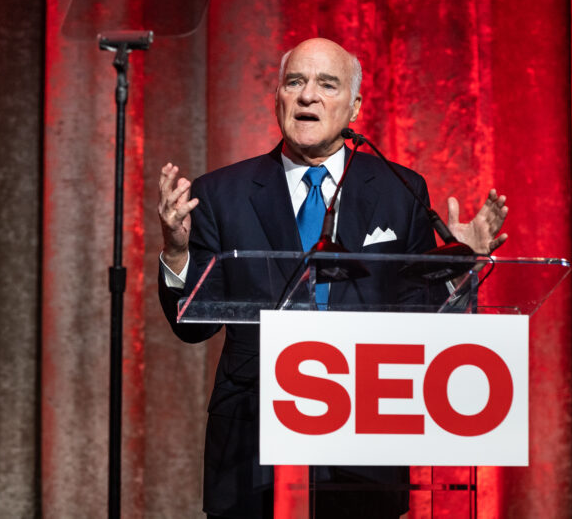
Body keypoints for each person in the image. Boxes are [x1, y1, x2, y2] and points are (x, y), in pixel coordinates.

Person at [156, 37, 508, 518]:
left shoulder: (400, 190)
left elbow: (421, 322)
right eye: (295, 82)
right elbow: (193, 327)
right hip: (252, 444)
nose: (308, 96)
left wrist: (458, 269)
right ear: (277, 97)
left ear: (355, 107)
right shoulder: (220, 193)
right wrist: (177, 251)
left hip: (364, 441)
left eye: (327, 84)